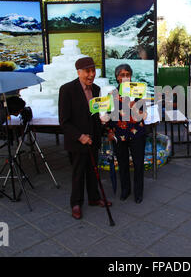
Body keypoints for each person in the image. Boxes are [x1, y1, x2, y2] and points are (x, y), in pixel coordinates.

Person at [58, 56, 112, 220]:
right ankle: (76, 203)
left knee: (93, 171)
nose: (91, 75)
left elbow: (96, 115)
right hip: (77, 142)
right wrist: (80, 136)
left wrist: (104, 125)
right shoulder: (67, 89)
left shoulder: (96, 89)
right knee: (78, 173)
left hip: (93, 139)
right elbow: (64, 121)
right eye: (87, 71)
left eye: (93, 71)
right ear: (79, 72)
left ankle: (94, 198)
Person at [106, 64, 147, 204]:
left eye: (127, 74)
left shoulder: (138, 92)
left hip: (137, 134)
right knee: (122, 163)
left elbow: (144, 115)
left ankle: (138, 193)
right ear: (117, 77)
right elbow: (108, 116)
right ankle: (125, 190)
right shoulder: (112, 95)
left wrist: (134, 108)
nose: (125, 77)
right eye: (122, 75)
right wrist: (109, 132)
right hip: (119, 134)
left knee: (138, 163)